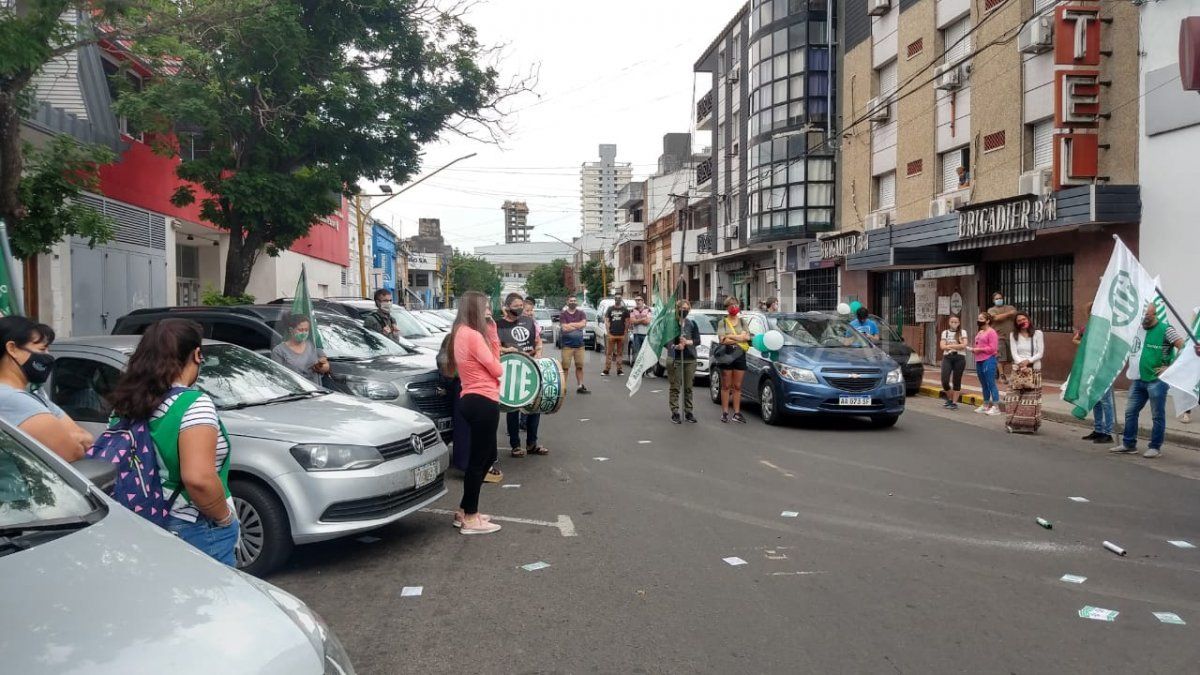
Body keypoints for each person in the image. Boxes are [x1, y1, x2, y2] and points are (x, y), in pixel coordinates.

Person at [108, 319, 238, 564]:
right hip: (195, 527)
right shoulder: (193, 404)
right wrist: (225, 518)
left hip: (143, 522)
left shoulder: (126, 404)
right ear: (197, 355)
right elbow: (198, 479)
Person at [447, 291, 503, 534]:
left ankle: (464, 509)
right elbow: (497, 368)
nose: (488, 312)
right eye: (485, 308)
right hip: (483, 399)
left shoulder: (459, 332)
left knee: (487, 457)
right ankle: (471, 517)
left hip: (470, 398)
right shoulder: (473, 335)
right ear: (475, 310)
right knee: (479, 461)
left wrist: (490, 331)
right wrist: (493, 335)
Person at [0, 317, 92, 461]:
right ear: (12, 349)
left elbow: (87, 440)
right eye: (42, 349)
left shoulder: (35, 396)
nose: (48, 356)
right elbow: (73, 451)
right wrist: (70, 438)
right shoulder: (10, 399)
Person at [1111, 303, 1186, 459]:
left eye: (1146, 316)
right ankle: (1128, 444)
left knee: (1157, 415)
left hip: (1156, 380)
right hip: (1138, 379)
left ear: (1154, 314)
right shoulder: (1138, 327)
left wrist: (1170, 367)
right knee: (1130, 412)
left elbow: (1183, 346)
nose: (1143, 320)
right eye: (1141, 316)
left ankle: (1155, 447)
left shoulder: (1166, 329)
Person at [496, 293, 547, 458]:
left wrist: (538, 352)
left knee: (535, 406)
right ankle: (515, 445)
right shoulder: (499, 325)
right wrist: (506, 350)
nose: (519, 308)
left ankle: (532, 444)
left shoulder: (529, 322)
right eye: (516, 306)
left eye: (521, 305)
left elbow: (538, 340)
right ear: (507, 307)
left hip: (531, 366)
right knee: (513, 408)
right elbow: (494, 347)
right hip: (512, 369)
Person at [1074, 302, 1115, 444]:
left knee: (1106, 401)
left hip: (1105, 368)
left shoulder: (1108, 327)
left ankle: (1108, 433)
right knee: (1095, 400)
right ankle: (1098, 430)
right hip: (1091, 367)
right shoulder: (1088, 327)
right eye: (1091, 311)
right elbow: (1076, 339)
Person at [1008, 312, 1045, 430]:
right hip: (1018, 370)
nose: (1022, 322)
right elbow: (1014, 353)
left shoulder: (1038, 333)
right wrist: (1021, 364)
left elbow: (1040, 353)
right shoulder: (1013, 335)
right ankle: (1013, 423)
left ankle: (1029, 425)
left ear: (1028, 319)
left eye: (1024, 319)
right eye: (1019, 321)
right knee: (1013, 398)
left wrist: (1028, 362)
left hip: (1033, 370)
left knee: (1030, 399)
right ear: (1016, 323)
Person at [717, 297, 751, 423]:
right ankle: (725, 412)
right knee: (726, 385)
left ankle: (737, 413)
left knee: (737, 386)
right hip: (726, 354)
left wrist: (730, 336)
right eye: (731, 305)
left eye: (735, 304)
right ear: (727, 307)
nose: (734, 307)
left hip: (740, 354)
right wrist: (739, 337)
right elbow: (722, 340)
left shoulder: (742, 321)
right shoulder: (723, 322)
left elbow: (747, 337)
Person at [666, 299, 701, 424]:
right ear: (677, 309)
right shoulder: (672, 325)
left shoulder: (692, 324)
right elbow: (667, 343)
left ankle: (688, 411)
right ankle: (675, 412)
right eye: (682, 308)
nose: (684, 311)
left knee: (688, 387)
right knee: (675, 387)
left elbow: (697, 340)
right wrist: (676, 346)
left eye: (686, 309)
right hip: (676, 359)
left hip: (690, 359)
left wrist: (687, 342)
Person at [270, 314, 330, 385]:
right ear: (291, 330)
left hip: (316, 389)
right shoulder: (279, 351)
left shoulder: (313, 345)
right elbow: (278, 376)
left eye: (306, 330)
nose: (304, 333)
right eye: (300, 330)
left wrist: (319, 366)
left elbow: (326, 367)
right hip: (294, 390)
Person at [966, 311, 1002, 415]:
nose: (979, 321)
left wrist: (979, 349)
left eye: (981, 319)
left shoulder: (992, 332)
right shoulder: (980, 332)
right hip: (979, 360)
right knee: (984, 384)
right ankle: (985, 405)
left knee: (991, 383)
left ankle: (996, 407)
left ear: (988, 321)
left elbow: (993, 348)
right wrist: (974, 349)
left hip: (989, 359)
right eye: (978, 319)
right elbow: (978, 344)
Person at [558, 296, 589, 394]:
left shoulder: (581, 313)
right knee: (565, 368)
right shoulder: (563, 314)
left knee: (579, 367)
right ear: (567, 302)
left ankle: (580, 386)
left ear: (577, 302)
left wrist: (571, 324)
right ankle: (563, 388)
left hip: (579, 346)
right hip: (567, 346)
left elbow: (583, 324)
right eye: (571, 301)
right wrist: (577, 325)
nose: (573, 302)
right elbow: (564, 328)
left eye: (575, 301)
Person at [987, 291, 1018, 385]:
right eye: (997, 299)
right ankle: (1002, 375)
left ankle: (998, 371)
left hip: (1011, 336)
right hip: (998, 337)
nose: (999, 300)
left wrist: (1006, 315)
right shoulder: (991, 310)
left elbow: (1016, 315)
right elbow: (995, 318)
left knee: (1010, 358)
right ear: (993, 300)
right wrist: (1009, 314)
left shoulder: (1010, 307)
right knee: (1000, 358)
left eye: (1000, 298)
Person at [939, 315, 968, 410]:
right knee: (944, 380)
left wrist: (950, 346)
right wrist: (957, 345)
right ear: (949, 323)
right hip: (947, 357)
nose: (954, 324)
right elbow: (942, 346)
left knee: (957, 380)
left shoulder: (962, 332)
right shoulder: (945, 332)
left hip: (959, 358)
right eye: (952, 322)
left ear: (959, 323)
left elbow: (964, 345)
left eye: (956, 322)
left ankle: (954, 403)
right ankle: (950, 399)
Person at [603, 295, 630, 376]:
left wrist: (625, 332)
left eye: (619, 298)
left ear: (621, 299)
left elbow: (627, 321)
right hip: (612, 334)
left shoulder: (625, 310)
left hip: (621, 334)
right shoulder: (610, 309)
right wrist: (608, 332)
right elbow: (607, 321)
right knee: (609, 353)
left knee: (620, 353)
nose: (617, 300)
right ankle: (606, 370)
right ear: (614, 299)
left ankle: (619, 370)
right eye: (616, 298)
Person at [629, 296, 652, 361]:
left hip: (646, 334)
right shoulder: (632, 310)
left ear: (643, 301)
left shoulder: (648, 309)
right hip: (636, 334)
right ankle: (638, 366)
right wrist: (643, 319)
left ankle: (645, 366)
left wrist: (637, 320)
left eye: (639, 300)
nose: (637, 302)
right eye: (636, 300)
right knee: (637, 352)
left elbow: (647, 322)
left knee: (645, 352)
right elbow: (632, 321)